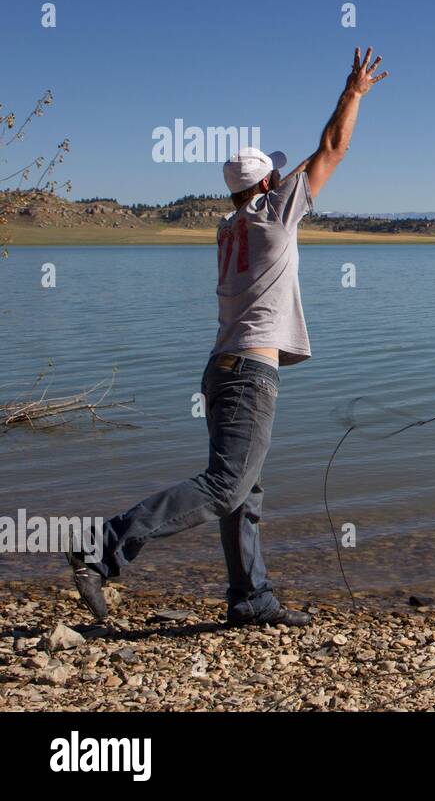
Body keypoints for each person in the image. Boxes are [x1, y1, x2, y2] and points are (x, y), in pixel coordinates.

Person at [66, 47, 388, 627]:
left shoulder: (227, 228)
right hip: (246, 373)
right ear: (268, 183)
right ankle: (103, 546)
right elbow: (333, 148)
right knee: (224, 485)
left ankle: (250, 598)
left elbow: (293, 173)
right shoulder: (272, 215)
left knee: (245, 490)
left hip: (221, 369)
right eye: (276, 176)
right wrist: (354, 93)